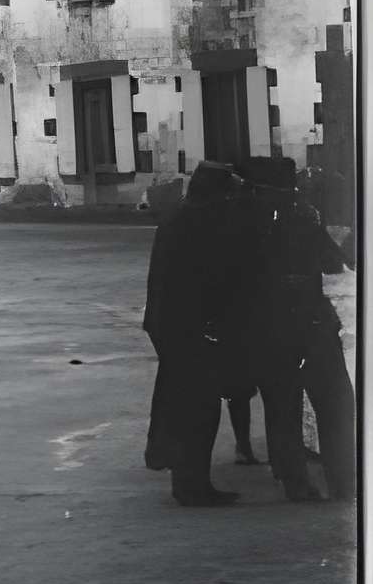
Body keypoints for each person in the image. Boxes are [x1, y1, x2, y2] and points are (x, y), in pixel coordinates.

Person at [236, 155, 354, 502]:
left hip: (270, 326)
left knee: (281, 407)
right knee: (335, 403)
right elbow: (334, 264)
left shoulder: (244, 222)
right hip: (312, 323)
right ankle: (342, 480)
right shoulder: (302, 216)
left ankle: (295, 482)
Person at [143, 162, 246, 506]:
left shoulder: (181, 215)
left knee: (183, 402)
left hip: (171, 324)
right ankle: (192, 485)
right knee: (198, 408)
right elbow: (206, 280)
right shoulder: (198, 222)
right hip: (189, 327)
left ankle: (186, 478)